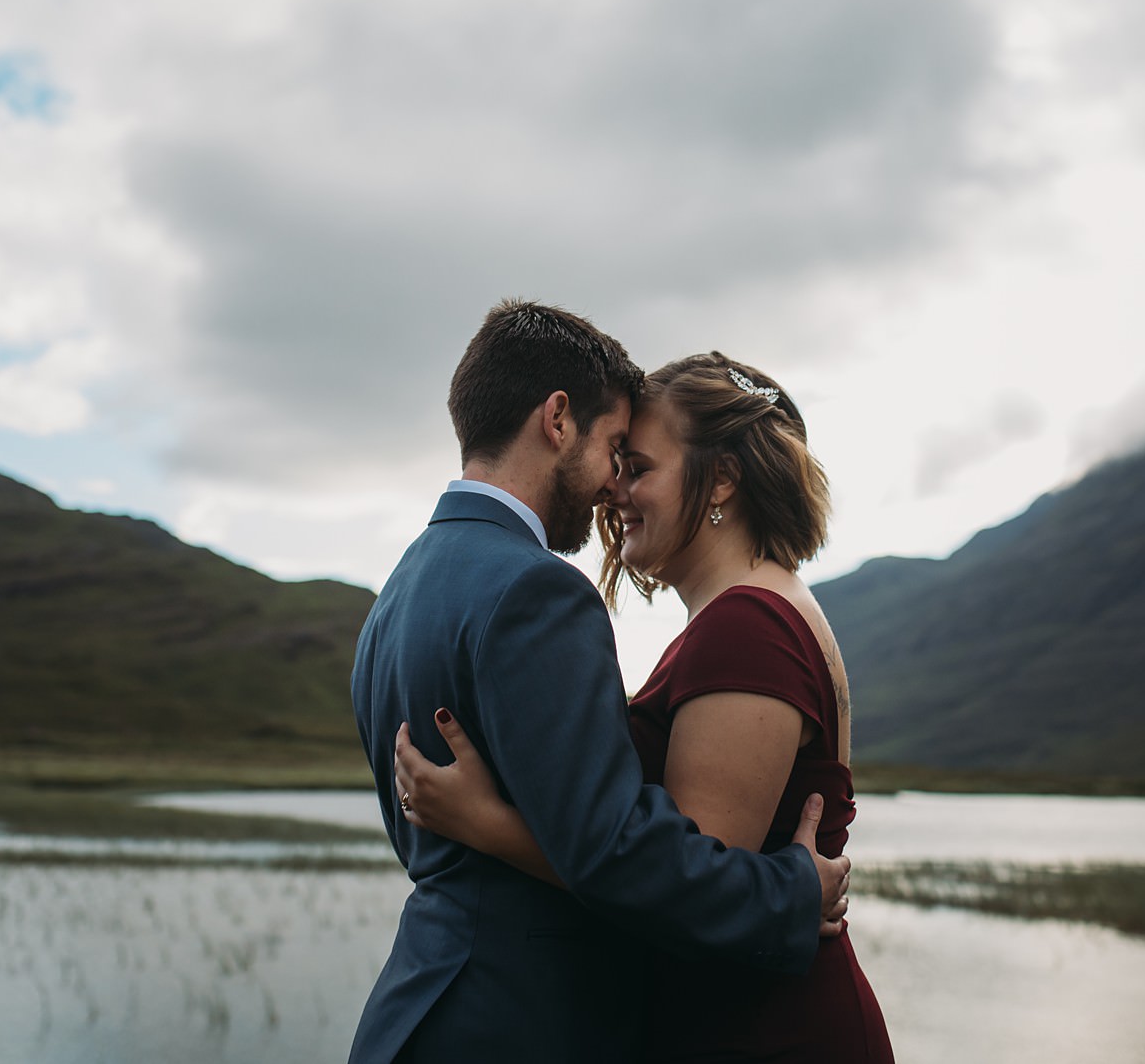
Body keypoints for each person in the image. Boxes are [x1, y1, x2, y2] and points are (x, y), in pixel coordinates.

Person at [349, 305, 852, 1064]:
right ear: (558, 419)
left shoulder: (393, 600)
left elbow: (610, 846)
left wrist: (486, 821)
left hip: (422, 1003)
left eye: (636, 463)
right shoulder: (536, 591)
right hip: (515, 1022)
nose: (614, 487)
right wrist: (788, 893)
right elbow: (618, 852)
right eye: (618, 451)